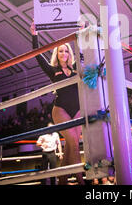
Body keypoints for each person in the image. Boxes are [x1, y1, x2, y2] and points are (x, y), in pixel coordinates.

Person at [30, 22, 84, 185]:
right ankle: (81, 180)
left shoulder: (75, 67)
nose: (64, 53)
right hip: (60, 110)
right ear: (57, 53)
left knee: (71, 144)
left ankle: (62, 181)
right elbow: (38, 55)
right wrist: (34, 35)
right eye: (60, 50)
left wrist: (80, 32)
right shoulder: (53, 70)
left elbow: (81, 52)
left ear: (69, 53)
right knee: (74, 143)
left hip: (77, 109)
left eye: (66, 50)